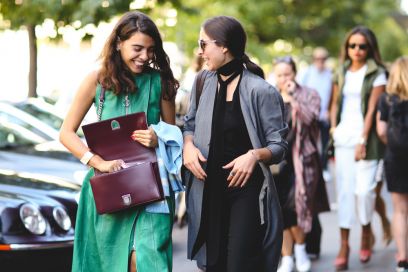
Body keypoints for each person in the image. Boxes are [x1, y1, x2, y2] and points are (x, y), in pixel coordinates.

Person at [59, 11, 179, 272]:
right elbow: (66, 133)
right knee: (108, 263)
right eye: (137, 48)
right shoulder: (96, 80)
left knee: (147, 262)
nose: (145, 56)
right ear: (118, 43)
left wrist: (159, 137)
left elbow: (173, 135)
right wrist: (97, 162)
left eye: (150, 49)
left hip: (151, 190)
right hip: (108, 190)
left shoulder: (161, 82)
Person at [183, 16, 288, 272]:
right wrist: (188, 146)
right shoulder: (201, 82)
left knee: (241, 265)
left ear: (224, 46)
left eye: (204, 44)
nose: (200, 51)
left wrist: (253, 155)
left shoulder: (261, 91)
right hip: (208, 190)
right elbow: (189, 124)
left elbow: (279, 147)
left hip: (246, 193)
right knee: (213, 265)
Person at [330, 25, 387, 270]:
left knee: (364, 192)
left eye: (362, 46)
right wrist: (333, 129)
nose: (357, 50)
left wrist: (362, 140)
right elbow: (333, 104)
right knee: (344, 192)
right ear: (347, 48)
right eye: (352, 45)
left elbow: (373, 110)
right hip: (343, 138)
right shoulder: (340, 71)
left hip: (367, 141)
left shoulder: (378, 73)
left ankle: (366, 233)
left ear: (370, 48)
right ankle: (344, 244)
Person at [273, 56, 330, 272]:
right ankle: (286, 256)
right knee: (280, 211)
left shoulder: (308, 94)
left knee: (299, 208)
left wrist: (294, 94)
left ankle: (300, 248)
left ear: (295, 74)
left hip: (302, 162)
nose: (284, 78)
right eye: (279, 74)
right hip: (277, 162)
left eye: (287, 73)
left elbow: (311, 119)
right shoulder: (271, 96)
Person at [377, 56, 408, 272]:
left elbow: (380, 131)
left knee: (400, 210)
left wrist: (393, 146)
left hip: (395, 158)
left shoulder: (386, 99)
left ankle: (402, 258)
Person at [297, 47, 332, 171]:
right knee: (309, 142)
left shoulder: (330, 74)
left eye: (323, 59)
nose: (320, 61)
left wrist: (329, 110)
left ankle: (324, 168)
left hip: (324, 114)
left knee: (325, 142)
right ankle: (309, 167)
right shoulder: (306, 73)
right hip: (309, 114)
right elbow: (299, 92)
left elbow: (333, 94)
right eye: (317, 58)